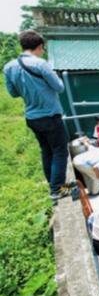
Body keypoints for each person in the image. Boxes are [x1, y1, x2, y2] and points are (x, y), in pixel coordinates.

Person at [3, 30, 70, 200]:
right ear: (39, 46)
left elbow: (13, 93)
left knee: (46, 151)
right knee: (60, 150)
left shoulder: (9, 67)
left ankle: (53, 184)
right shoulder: (41, 64)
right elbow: (59, 87)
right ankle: (57, 189)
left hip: (32, 117)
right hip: (50, 115)